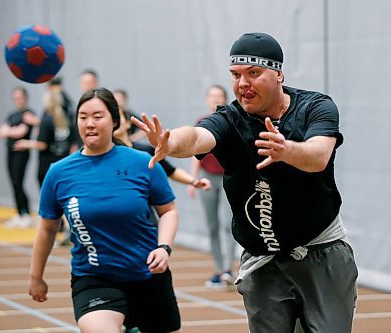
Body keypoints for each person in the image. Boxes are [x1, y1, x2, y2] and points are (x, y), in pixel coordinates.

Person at [132, 32, 358, 332]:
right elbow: (198, 137)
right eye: (236, 75)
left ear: (278, 74)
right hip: (264, 260)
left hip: (320, 251)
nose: (242, 84)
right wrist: (170, 142)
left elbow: (318, 156)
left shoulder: (314, 107)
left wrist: (287, 150)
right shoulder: (229, 118)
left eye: (254, 73)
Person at [29, 87, 181, 333]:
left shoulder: (142, 162)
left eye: (98, 116)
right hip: (94, 278)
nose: (90, 123)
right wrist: (36, 276)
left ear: (114, 121)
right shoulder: (59, 172)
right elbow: (47, 229)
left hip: (148, 274)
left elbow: (168, 210)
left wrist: (163, 248)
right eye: (83, 116)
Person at [187, 85, 236, 288]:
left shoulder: (232, 121)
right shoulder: (201, 123)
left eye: (219, 96)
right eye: (212, 96)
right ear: (207, 99)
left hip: (227, 178)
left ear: (225, 99)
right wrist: (192, 179)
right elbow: (195, 152)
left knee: (228, 224)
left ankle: (228, 269)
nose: (216, 100)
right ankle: (218, 269)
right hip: (207, 178)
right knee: (213, 225)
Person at [13, 89, 78, 187]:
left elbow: (42, 144)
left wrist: (26, 143)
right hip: (64, 164)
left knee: (48, 198)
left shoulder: (47, 121)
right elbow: (74, 144)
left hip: (48, 165)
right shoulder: (69, 118)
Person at [0, 87, 38, 228]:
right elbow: (1, 132)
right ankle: (19, 213)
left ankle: (25, 212)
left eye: (19, 98)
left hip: (22, 153)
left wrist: (10, 131)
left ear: (25, 98)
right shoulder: (12, 115)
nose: (17, 101)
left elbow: (22, 131)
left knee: (18, 181)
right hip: (10, 152)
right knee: (13, 183)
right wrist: (11, 131)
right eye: (15, 98)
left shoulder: (28, 114)